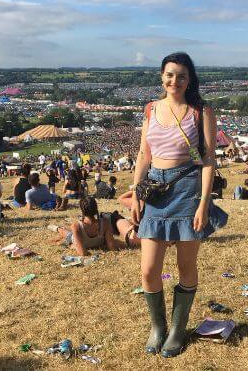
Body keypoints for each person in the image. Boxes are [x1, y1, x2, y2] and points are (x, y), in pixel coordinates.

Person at [132, 52, 218, 358]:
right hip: (155, 190)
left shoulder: (201, 111)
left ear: (190, 79)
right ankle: (158, 327)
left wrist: (203, 204)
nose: (175, 81)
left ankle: (178, 330)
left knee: (185, 266)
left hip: (186, 191)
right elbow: (144, 154)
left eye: (182, 76)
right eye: (170, 74)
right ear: (161, 77)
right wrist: (136, 192)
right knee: (149, 270)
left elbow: (207, 160)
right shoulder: (151, 109)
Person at [52, 196, 118, 256]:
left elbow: (82, 253)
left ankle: (59, 228)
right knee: (65, 232)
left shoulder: (76, 226)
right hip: (73, 237)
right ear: (96, 208)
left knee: (67, 232)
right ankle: (55, 228)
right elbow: (111, 246)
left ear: (82, 210)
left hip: (78, 235)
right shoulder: (105, 223)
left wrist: (75, 246)